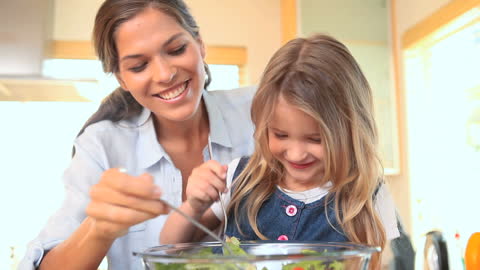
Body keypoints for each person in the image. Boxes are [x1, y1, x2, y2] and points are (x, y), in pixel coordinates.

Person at [18, 0, 255, 269]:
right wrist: (99, 228)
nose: (165, 74)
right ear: (121, 79)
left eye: (177, 49)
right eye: (139, 66)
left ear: (200, 44)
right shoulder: (103, 145)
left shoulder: (259, 111)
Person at [160, 34, 400, 269]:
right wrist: (193, 205)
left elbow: (380, 264)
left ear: (350, 130)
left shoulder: (368, 194)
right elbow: (170, 246)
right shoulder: (240, 177)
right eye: (280, 135)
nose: (296, 154)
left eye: (315, 139)